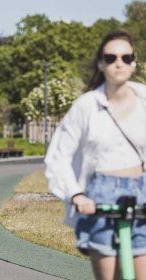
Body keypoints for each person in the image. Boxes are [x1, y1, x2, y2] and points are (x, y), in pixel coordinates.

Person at [45, 30, 146, 280]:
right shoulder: (86, 106)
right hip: (101, 194)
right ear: (101, 64)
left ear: (134, 62)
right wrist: (77, 195)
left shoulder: (144, 100)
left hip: (141, 192)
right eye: (110, 58)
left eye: (125, 57)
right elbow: (58, 156)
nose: (118, 63)